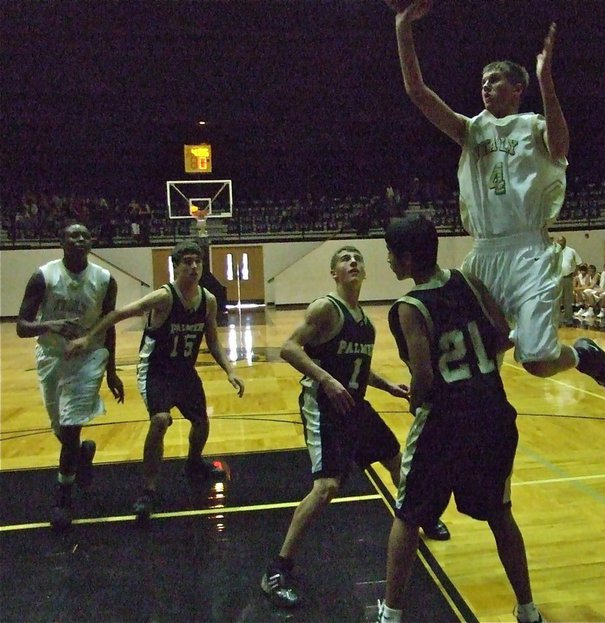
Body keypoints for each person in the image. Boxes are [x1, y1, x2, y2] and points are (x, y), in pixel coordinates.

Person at [387, 0, 605, 400]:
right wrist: (402, 28)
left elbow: (561, 147)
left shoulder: (532, 125)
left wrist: (546, 79)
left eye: (496, 80)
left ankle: (583, 356)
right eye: (483, 80)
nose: (485, 86)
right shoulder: (470, 130)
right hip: (483, 255)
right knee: (482, 350)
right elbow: (417, 92)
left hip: (528, 252)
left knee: (535, 360)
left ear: (517, 89)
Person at [260, 245, 450, 610]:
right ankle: (277, 569)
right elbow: (289, 348)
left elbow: (358, 368)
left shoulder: (364, 320)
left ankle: (421, 518)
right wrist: (327, 381)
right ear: (334, 273)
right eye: (345, 259)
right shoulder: (326, 308)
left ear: (365, 272)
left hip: (354, 405)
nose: (352, 263)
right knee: (327, 487)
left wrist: (387, 385)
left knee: (396, 460)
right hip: (324, 405)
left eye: (357, 259)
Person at [379, 216, 545, 623]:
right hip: (492, 414)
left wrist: (415, 402)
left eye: (391, 253)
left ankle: (390, 613)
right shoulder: (469, 281)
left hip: (445, 423)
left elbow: (423, 375)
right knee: (500, 514)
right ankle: (529, 610)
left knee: (408, 515)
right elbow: (503, 333)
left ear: (408, 257)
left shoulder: (409, 306)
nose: (387, 260)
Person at [66, 240, 245, 519]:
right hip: (156, 370)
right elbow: (119, 313)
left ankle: (194, 463)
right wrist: (89, 337)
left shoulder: (208, 300)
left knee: (201, 422)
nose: (194, 266)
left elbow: (212, 340)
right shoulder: (164, 297)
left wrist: (230, 371)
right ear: (175, 267)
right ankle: (148, 490)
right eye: (187, 261)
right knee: (160, 420)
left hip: (185, 371)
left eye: (198, 261)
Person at [16, 222, 125, 529]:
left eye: (85, 235)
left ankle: (63, 496)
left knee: (71, 425)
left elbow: (108, 325)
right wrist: (51, 324)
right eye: (73, 235)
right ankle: (83, 455)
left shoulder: (105, 280)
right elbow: (22, 326)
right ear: (61, 242)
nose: (80, 239)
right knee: (62, 432)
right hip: (51, 356)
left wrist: (111, 371)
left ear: (91, 243)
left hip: (88, 357)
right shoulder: (44, 276)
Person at [556, 236, 581, 325]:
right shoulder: (554, 251)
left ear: (565, 242)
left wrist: (574, 272)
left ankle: (568, 319)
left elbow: (578, 262)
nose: (560, 243)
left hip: (567, 278)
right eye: (558, 241)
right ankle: (557, 321)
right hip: (557, 279)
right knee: (557, 301)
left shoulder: (571, 251)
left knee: (568, 300)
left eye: (561, 241)